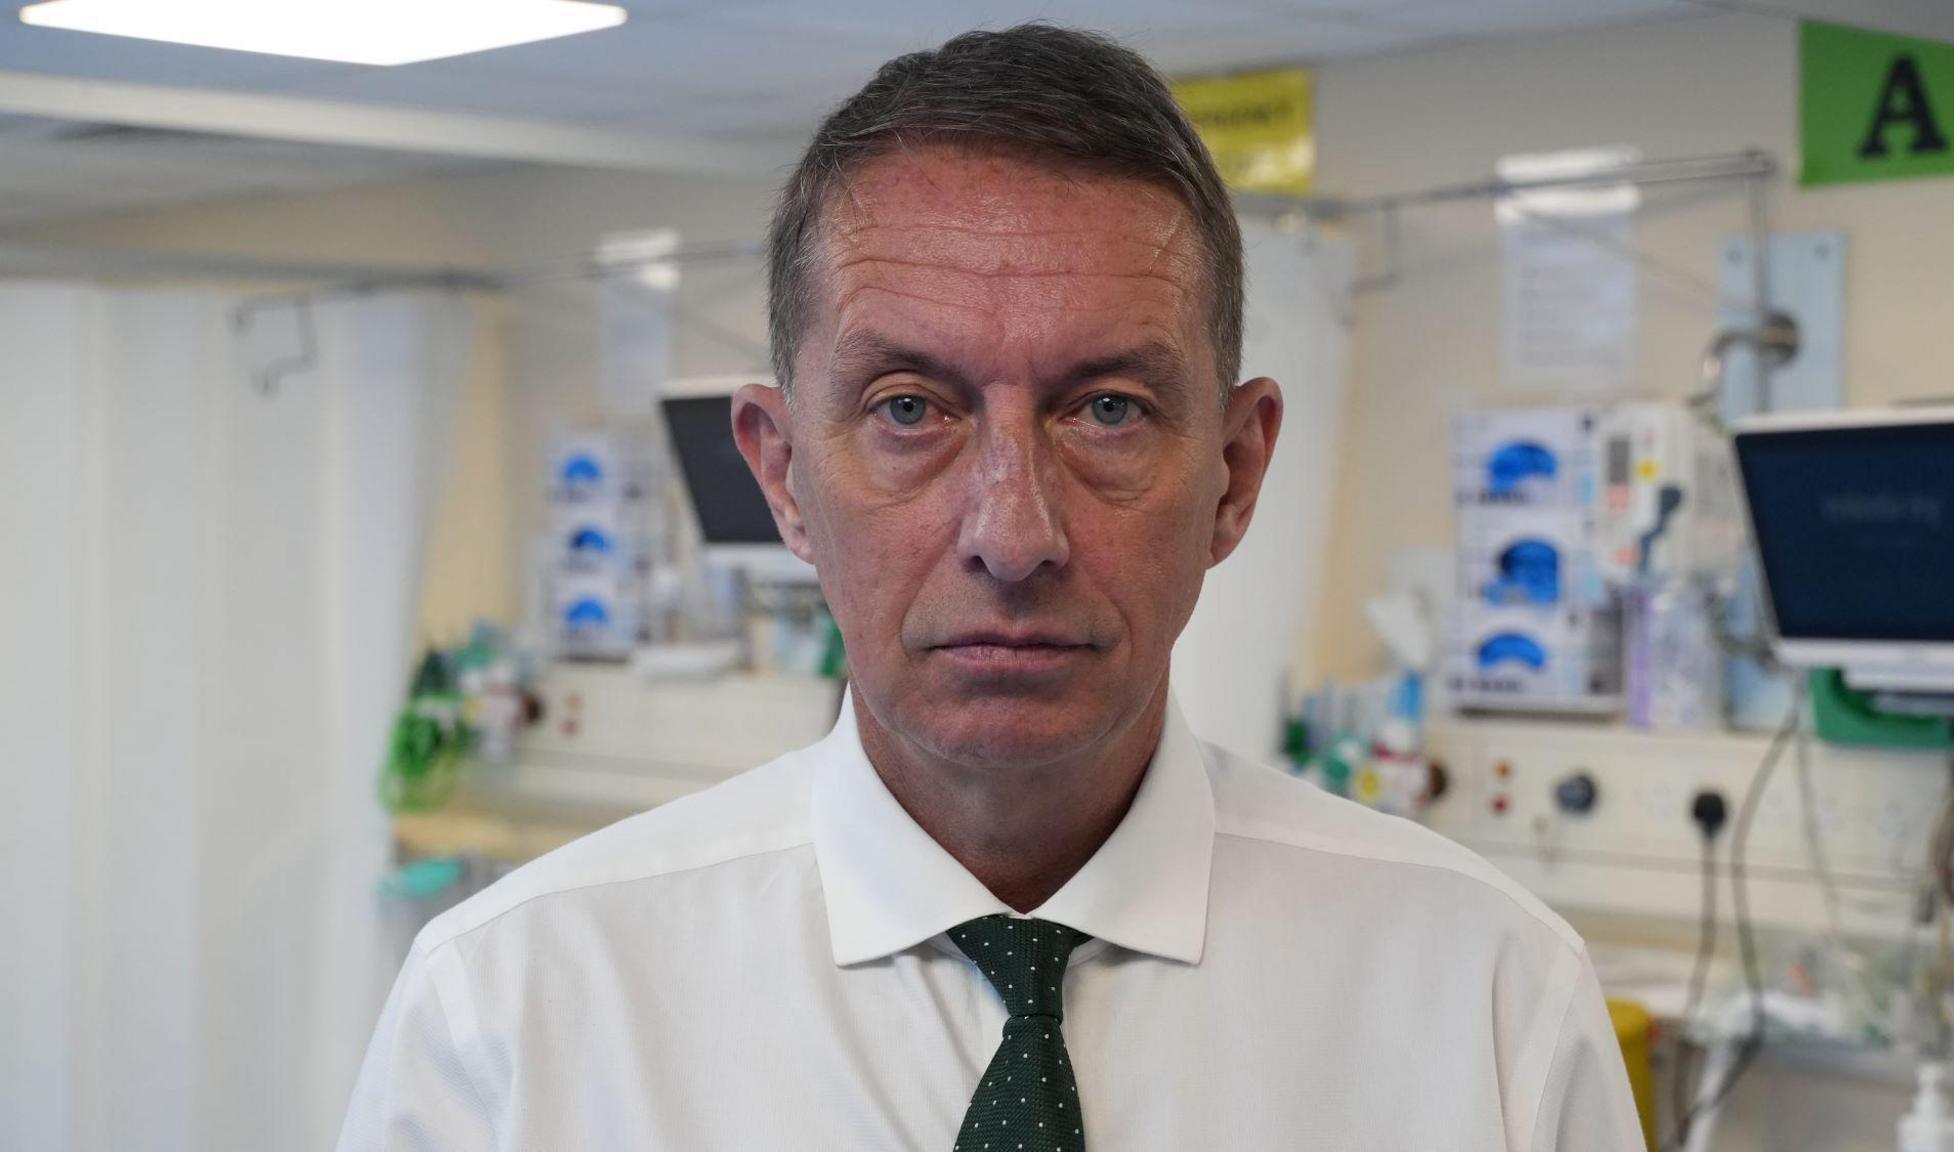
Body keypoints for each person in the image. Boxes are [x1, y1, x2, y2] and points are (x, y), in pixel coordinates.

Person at [339, 24, 1645, 1151]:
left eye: (1111, 411)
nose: (1012, 535)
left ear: (1237, 474)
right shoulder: (521, 1009)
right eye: (912, 408)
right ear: (782, 473)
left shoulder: (1487, 1002)